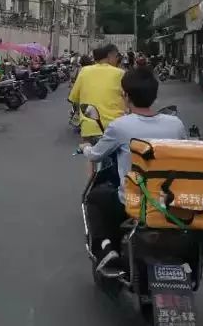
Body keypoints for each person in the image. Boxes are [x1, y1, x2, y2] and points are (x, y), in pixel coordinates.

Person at [81, 66, 188, 276]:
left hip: (133, 202)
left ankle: (106, 248)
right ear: (154, 95)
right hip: (169, 199)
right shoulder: (175, 124)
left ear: (126, 96)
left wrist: (85, 147)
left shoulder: (120, 126)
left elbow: (95, 155)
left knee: (94, 198)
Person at [68, 43, 125, 143]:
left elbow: (74, 98)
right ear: (109, 56)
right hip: (115, 125)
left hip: (90, 126)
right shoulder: (120, 73)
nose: (117, 59)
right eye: (116, 56)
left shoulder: (84, 71)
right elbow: (128, 98)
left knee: (91, 154)